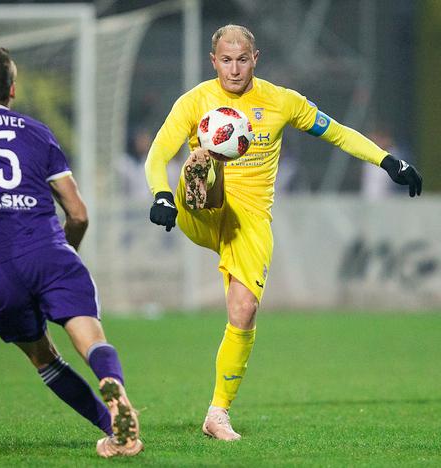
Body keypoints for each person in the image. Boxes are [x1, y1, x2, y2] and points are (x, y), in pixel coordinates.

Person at [145, 24, 422, 441]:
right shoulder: (195, 101)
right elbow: (157, 154)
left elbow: (338, 133)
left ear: (255, 59)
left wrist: (387, 161)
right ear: (213, 61)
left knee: (245, 311)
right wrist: (163, 195)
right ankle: (199, 176)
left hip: (249, 220)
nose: (234, 70)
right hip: (199, 206)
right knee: (201, 159)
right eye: (226, 60)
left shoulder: (281, 101)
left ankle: (217, 413)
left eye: (242, 60)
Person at [0, 47, 143, 458]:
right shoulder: (38, 132)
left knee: (44, 358)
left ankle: (113, 429)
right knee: (90, 339)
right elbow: (77, 213)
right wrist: (65, 253)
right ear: (12, 89)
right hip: (49, 251)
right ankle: (118, 401)